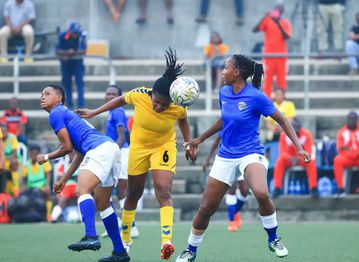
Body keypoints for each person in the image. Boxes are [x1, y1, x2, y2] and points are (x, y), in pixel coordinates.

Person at [176, 54, 311, 262]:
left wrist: (299, 147)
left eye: (226, 68)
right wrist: (199, 139)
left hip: (251, 152)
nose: (222, 71)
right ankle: (190, 251)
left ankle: (273, 239)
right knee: (205, 209)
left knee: (261, 193)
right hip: (225, 156)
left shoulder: (256, 96)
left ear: (236, 72)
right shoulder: (224, 92)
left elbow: (282, 119)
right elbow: (224, 120)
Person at [76, 48, 196, 260]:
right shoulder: (140, 94)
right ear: (151, 94)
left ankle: (166, 241)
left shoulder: (178, 106)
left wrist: (188, 143)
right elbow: (120, 100)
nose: (159, 106)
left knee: (163, 191)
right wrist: (94, 112)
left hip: (163, 148)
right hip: (139, 148)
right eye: (156, 102)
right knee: (133, 194)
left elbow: (184, 122)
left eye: (163, 104)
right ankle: (125, 240)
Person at [38, 85, 129, 262]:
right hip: (110, 149)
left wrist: (47, 156)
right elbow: (78, 152)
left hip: (99, 149)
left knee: (82, 191)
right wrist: (64, 179)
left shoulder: (56, 113)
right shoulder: (67, 114)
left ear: (59, 98)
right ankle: (120, 252)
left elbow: (67, 148)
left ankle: (90, 236)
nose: (42, 97)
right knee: (103, 204)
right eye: (41, 94)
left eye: (47, 94)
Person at [100, 85, 140, 238]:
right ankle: (116, 222)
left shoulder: (117, 112)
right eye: (108, 93)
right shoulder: (112, 112)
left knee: (122, 191)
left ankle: (132, 227)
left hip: (120, 153)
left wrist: (110, 153)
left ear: (119, 98)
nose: (110, 96)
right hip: (116, 152)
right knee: (106, 189)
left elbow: (122, 136)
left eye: (113, 94)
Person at [202, 135, 249, 233]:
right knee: (232, 190)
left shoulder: (245, 123)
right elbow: (216, 143)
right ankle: (232, 221)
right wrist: (207, 159)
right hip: (229, 160)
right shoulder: (227, 123)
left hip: (243, 159)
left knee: (244, 192)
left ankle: (234, 212)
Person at [272, 118, 318, 198]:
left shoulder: (306, 134)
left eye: (297, 126)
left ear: (300, 126)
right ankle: (277, 188)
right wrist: (290, 158)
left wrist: (298, 159)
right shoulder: (284, 135)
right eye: (293, 127)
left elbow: (309, 151)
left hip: (301, 159)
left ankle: (313, 188)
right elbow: (282, 152)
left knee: (311, 162)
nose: (295, 129)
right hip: (289, 159)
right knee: (279, 161)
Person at [253, 6, 292, 98]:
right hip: (269, 56)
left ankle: (281, 101)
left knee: (281, 81)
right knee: (268, 80)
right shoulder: (267, 21)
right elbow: (255, 29)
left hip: (281, 57)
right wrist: (264, 17)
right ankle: (267, 102)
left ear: (281, 12)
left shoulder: (285, 23)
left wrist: (278, 24)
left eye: (279, 9)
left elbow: (287, 36)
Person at [56, 22, 87, 109]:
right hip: (65, 64)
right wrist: (66, 53)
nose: (75, 35)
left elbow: (83, 50)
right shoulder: (62, 36)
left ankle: (81, 106)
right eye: (74, 33)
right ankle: (69, 105)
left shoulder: (81, 36)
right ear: (69, 31)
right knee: (67, 85)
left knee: (79, 84)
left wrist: (70, 53)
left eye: (76, 33)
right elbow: (57, 50)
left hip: (77, 63)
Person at [22, 146, 53, 222]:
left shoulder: (44, 163)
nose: (33, 156)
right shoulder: (26, 165)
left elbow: (48, 175)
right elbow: (24, 179)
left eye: (35, 154)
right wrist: (24, 187)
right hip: (30, 188)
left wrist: (47, 185)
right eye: (32, 154)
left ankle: (48, 215)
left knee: (48, 193)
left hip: (41, 187)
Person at [333, 111, 359, 197]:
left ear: (356, 120)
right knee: (337, 160)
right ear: (347, 120)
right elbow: (341, 149)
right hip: (348, 158)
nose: (351, 121)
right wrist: (353, 153)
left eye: (353, 119)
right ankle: (340, 188)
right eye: (350, 119)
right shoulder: (342, 132)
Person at [51, 152, 79, 222]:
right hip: (66, 186)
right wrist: (58, 192)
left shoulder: (80, 164)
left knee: (81, 197)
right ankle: (53, 218)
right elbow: (59, 179)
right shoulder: (63, 165)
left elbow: (80, 178)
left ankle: (82, 218)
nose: (71, 156)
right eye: (70, 154)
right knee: (62, 200)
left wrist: (67, 177)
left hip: (78, 186)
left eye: (73, 154)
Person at [0, 124, 20, 197]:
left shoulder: (12, 137)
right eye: (1, 131)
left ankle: (16, 189)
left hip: (11, 159)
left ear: (7, 131)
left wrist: (4, 160)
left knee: (14, 163)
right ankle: (3, 192)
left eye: (4, 131)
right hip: (2, 161)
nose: (3, 133)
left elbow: (14, 153)